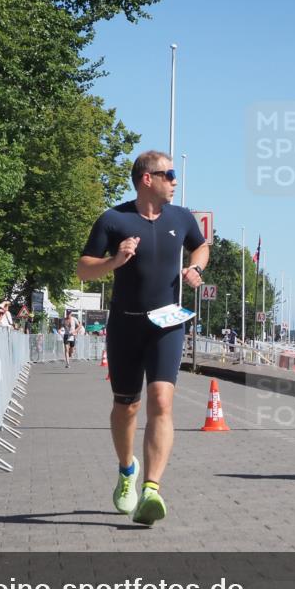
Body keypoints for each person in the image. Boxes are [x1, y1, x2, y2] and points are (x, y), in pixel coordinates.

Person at [77, 150, 208, 526]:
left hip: (167, 323)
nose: (175, 181)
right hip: (125, 324)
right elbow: (83, 269)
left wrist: (195, 267)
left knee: (162, 401)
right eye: (169, 174)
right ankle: (126, 471)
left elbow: (201, 245)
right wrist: (114, 262)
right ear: (147, 179)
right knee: (126, 406)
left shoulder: (181, 217)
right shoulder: (114, 219)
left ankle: (151, 489)